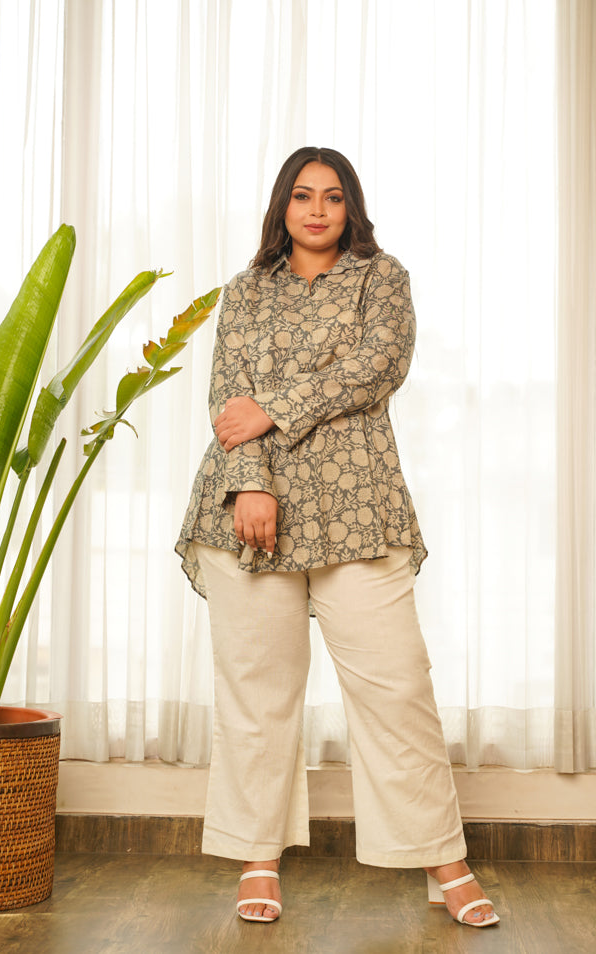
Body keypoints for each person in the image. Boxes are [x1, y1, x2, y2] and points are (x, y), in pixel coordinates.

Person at [176, 146, 499, 929]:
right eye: (302, 195)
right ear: (282, 207)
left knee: (397, 688)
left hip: (358, 507)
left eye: (331, 196)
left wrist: (275, 408)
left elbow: (377, 367)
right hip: (248, 512)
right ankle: (257, 857)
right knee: (256, 693)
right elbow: (229, 397)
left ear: (350, 206)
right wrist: (249, 482)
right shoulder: (246, 291)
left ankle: (443, 860)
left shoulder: (381, 279)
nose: (317, 210)